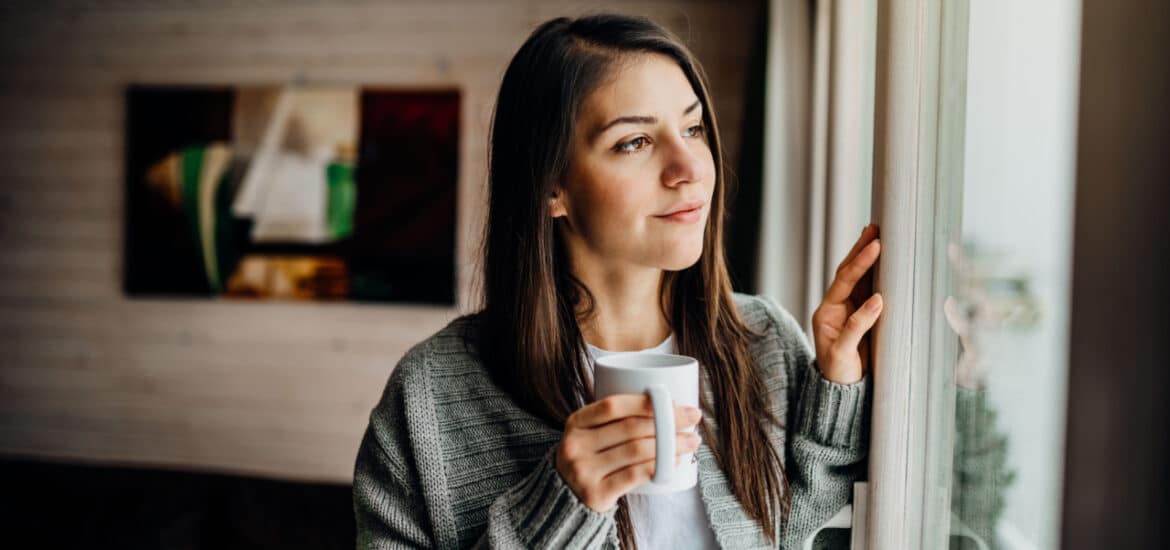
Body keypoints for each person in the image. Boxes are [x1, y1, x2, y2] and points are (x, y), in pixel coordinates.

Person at [352, 14, 885, 549]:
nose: (689, 168)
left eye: (693, 128)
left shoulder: (766, 342)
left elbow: (803, 536)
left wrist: (836, 388)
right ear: (551, 187)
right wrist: (559, 508)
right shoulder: (430, 396)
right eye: (634, 141)